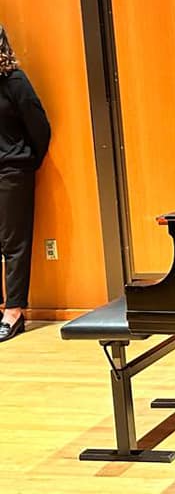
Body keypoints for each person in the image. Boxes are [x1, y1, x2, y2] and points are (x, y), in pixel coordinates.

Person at [0, 25, 50, 342]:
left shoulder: (15, 82)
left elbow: (40, 127)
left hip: (11, 172)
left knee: (13, 244)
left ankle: (14, 311)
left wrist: (25, 161)